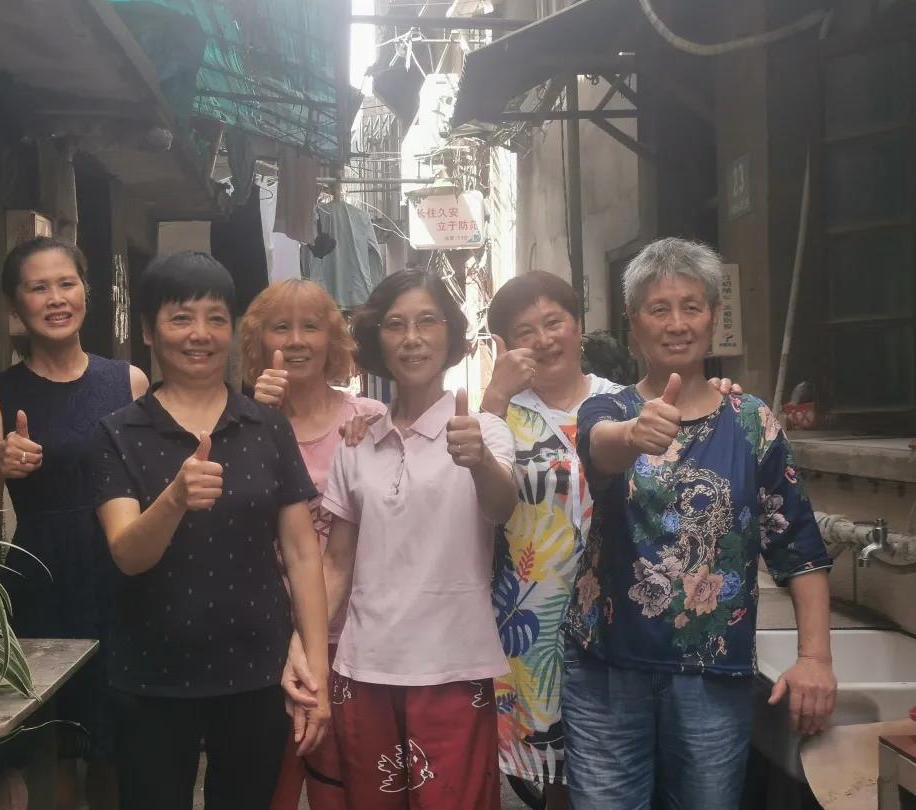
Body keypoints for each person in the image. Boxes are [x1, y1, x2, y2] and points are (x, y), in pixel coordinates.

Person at [562, 238, 836, 809]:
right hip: (609, 671)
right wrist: (635, 435)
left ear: (714, 315)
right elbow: (598, 448)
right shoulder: (609, 408)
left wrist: (815, 659)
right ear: (633, 321)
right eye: (658, 309)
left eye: (691, 306)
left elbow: (798, 546)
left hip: (713, 676)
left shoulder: (752, 422)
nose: (677, 324)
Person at [91, 252, 329, 810]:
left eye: (216, 318)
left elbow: (302, 553)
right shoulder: (119, 433)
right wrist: (174, 499)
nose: (200, 334)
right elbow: (128, 554)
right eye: (181, 318)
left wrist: (316, 667)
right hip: (150, 673)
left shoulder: (266, 426)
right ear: (148, 330)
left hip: (257, 672)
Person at [320, 269, 518, 809]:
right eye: (395, 324)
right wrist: (306, 648)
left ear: (450, 335)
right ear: (377, 340)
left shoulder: (484, 431)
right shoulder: (357, 442)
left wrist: (479, 462)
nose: (412, 338)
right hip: (363, 667)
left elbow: (501, 507)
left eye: (428, 321)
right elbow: (336, 564)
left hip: (453, 667)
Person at [0, 236, 148, 810]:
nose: (56, 298)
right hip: (41, 582)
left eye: (66, 283)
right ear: (15, 304)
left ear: (86, 290)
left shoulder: (129, 382)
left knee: (118, 748)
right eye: (38, 287)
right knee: (56, 751)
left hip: (119, 574)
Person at [239, 279, 386, 810]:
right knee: (267, 786)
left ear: (333, 339)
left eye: (312, 327)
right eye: (281, 327)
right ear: (259, 341)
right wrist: (255, 422)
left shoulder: (368, 418)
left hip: (353, 638)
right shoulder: (239, 421)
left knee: (340, 786)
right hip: (267, 638)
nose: (297, 340)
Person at [482, 272, 625, 810]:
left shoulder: (623, 404)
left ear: (578, 326)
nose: (543, 340)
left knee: (618, 764)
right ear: (505, 345)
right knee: (554, 776)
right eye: (526, 331)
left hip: (617, 614)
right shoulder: (499, 414)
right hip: (533, 620)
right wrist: (495, 395)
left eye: (553, 322)